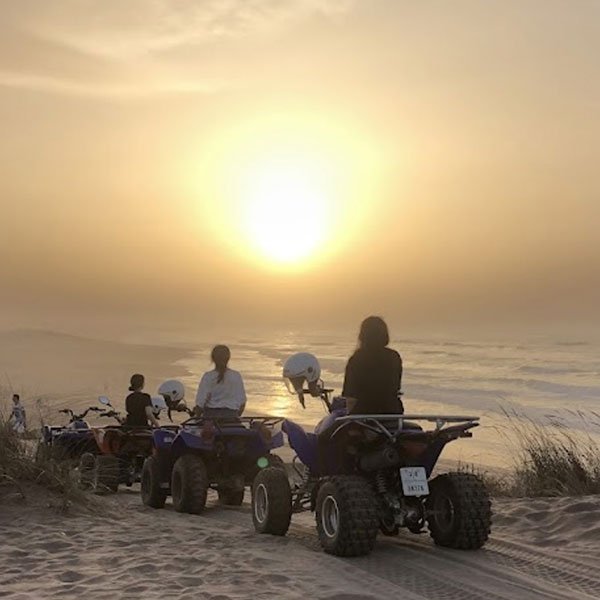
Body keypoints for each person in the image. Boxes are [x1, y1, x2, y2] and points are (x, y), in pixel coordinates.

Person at [342, 316, 403, 415]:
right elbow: (396, 387)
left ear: (362, 335)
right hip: (392, 413)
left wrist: (349, 416)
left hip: (363, 415)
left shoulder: (357, 359)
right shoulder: (394, 357)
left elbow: (351, 397)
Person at [195, 345, 246, 419]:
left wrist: (197, 416)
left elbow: (200, 402)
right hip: (232, 417)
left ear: (213, 358)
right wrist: (235, 416)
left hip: (211, 417)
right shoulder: (236, 376)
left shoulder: (208, 376)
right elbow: (242, 402)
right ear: (228, 358)